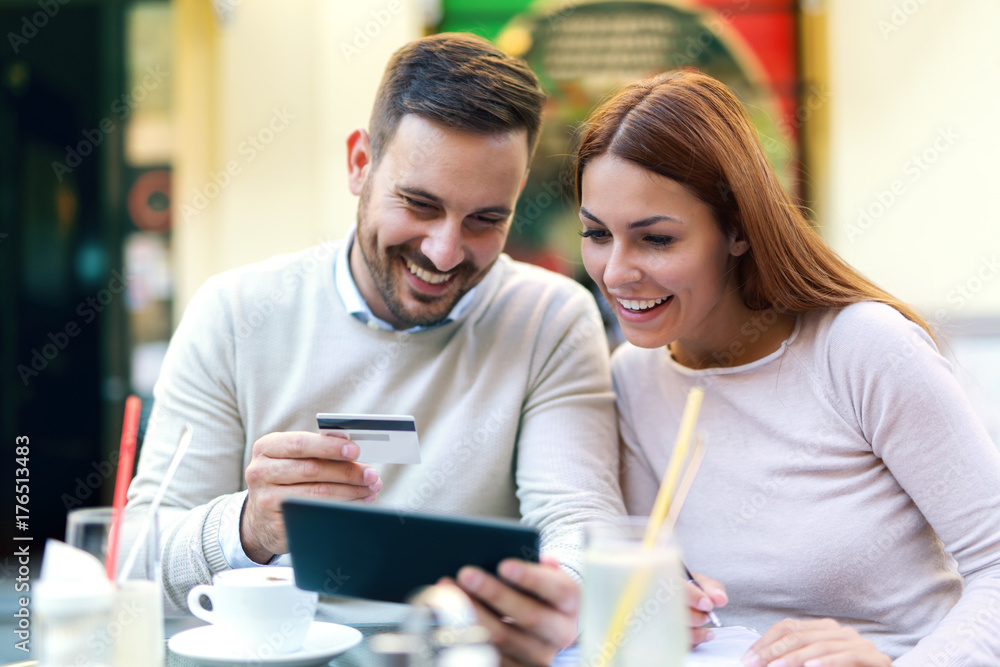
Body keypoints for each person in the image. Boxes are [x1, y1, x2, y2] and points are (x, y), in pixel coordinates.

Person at [128, 32, 625, 666]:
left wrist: (562, 597)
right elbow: (133, 564)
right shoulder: (233, 315)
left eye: (485, 219)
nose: (444, 252)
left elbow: (582, 524)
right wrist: (249, 527)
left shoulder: (550, 318)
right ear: (361, 163)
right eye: (420, 204)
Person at [573, 70, 1000, 666]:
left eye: (657, 240)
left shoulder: (862, 349)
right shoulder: (633, 376)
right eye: (596, 234)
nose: (615, 272)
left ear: (738, 230)